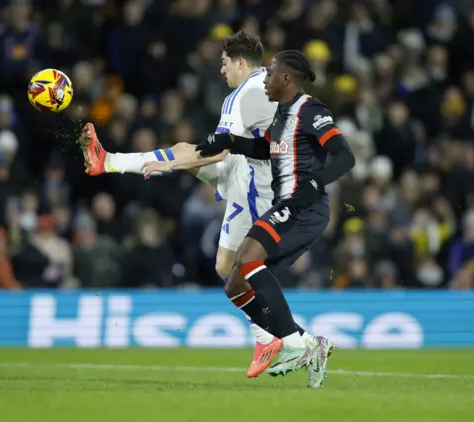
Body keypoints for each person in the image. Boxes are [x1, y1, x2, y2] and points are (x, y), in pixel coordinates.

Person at [77, 30, 319, 378]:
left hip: (263, 184)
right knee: (182, 152)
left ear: (239, 62)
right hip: (250, 167)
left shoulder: (246, 93)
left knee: (229, 268)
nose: (221, 70)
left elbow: (219, 148)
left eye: (223, 63)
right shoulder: (262, 85)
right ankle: (108, 161)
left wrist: (170, 167)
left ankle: (289, 338)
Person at [195, 50, 356, 388]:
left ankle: (293, 344)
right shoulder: (281, 118)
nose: (264, 80)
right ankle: (309, 344)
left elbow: (345, 155)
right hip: (288, 205)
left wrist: (317, 182)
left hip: (304, 206)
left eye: (270, 76)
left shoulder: (310, 111)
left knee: (247, 256)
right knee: (235, 285)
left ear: (286, 79)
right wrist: (228, 141)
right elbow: (262, 149)